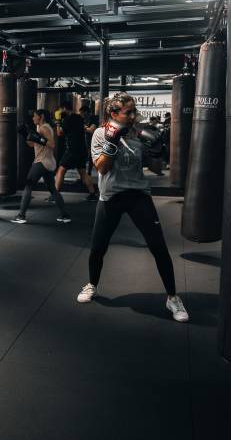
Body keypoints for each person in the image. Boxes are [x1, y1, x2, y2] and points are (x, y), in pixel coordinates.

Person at [76, 92, 189, 323]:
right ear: (113, 113)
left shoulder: (137, 133)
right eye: (128, 112)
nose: (133, 115)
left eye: (134, 111)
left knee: (158, 246)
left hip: (138, 195)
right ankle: (92, 284)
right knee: (98, 247)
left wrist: (158, 150)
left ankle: (173, 297)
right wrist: (112, 142)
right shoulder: (100, 134)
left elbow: (154, 166)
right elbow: (102, 169)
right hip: (111, 197)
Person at [11, 109, 71, 224]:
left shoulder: (45, 128)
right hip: (47, 163)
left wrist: (39, 138)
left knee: (28, 186)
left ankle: (21, 215)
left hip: (41, 162)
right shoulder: (40, 128)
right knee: (53, 190)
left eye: (35, 116)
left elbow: (52, 144)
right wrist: (26, 135)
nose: (33, 118)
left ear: (41, 117)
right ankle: (65, 215)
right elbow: (33, 144)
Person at [53, 100, 98, 201]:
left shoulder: (68, 119)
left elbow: (59, 133)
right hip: (82, 150)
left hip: (72, 150)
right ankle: (92, 194)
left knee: (60, 170)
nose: (60, 111)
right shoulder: (78, 117)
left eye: (60, 110)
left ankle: (55, 195)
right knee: (83, 172)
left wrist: (58, 122)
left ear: (64, 109)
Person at [80, 104, 97, 173]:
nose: (81, 115)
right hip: (85, 141)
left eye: (82, 113)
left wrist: (83, 126)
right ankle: (84, 175)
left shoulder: (93, 119)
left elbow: (91, 130)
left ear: (86, 112)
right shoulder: (84, 119)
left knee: (91, 157)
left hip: (93, 141)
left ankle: (88, 173)